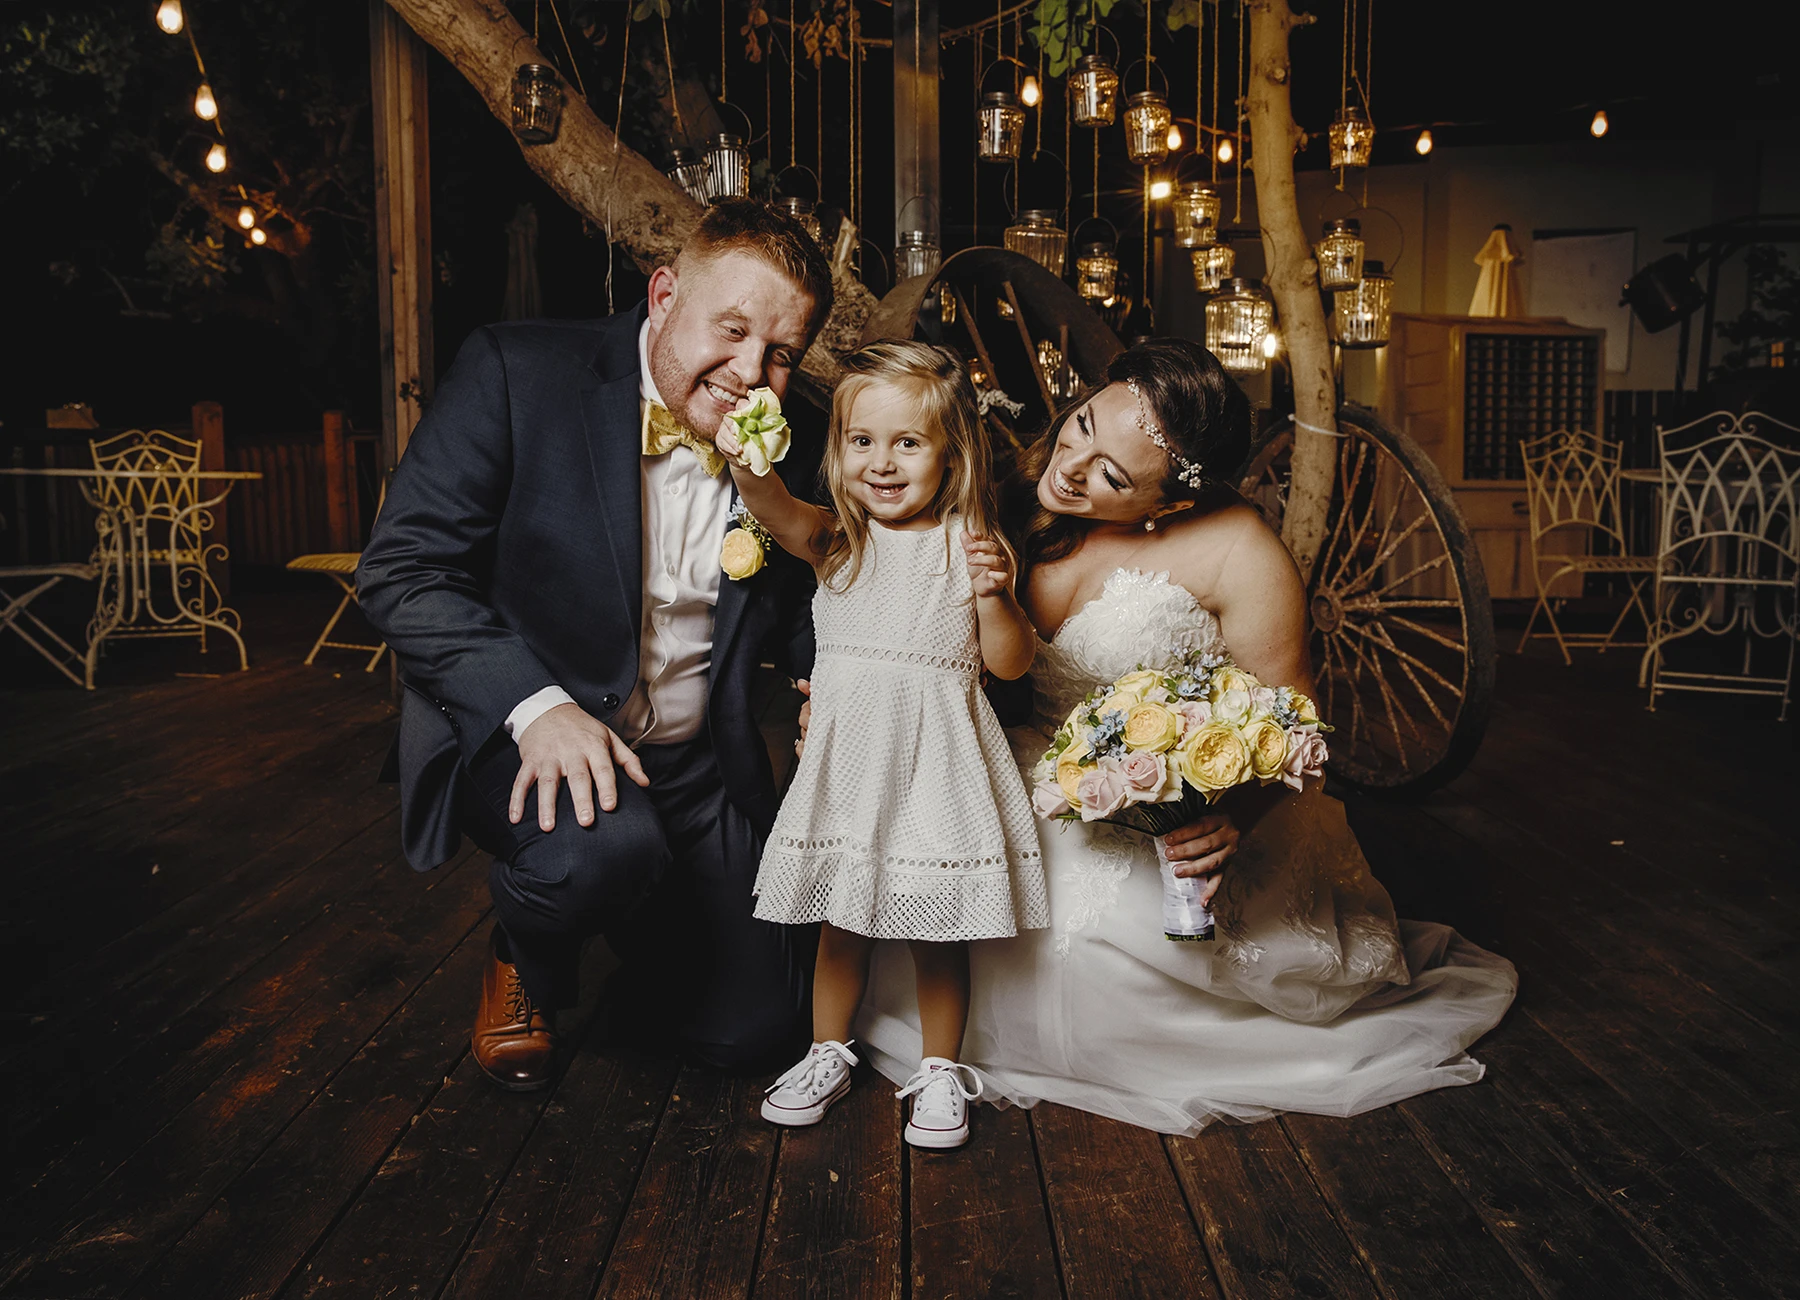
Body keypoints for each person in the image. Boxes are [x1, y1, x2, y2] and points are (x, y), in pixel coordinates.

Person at [855, 339, 1518, 1135]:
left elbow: (1296, 721)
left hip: (1176, 798)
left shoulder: (1241, 550)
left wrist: (1232, 815)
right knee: (950, 889)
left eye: (1113, 476)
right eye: (1082, 426)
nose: (1071, 467)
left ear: (1169, 504)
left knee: (1124, 946)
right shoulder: (1008, 492)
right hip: (1027, 765)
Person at [356, 199, 834, 1088]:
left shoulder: (796, 439)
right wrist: (536, 707)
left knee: (756, 1035)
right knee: (598, 854)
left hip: (696, 765)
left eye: (779, 354)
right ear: (663, 295)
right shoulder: (516, 369)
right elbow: (401, 568)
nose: (749, 375)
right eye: (730, 331)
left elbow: (815, 603)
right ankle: (524, 949)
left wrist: (829, 691)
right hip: (530, 728)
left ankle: (643, 909)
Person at [718, 340, 1048, 1150]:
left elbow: (1011, 664)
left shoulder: (971, 547)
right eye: (862, 441)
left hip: (939, 764)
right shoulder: (837, 540)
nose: (883, 462)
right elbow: (770, 507)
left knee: (938, 930)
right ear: (837, 449)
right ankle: (826, 1050)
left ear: (951, 453)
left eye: (909, 443)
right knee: (843, 921)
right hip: (855, 766)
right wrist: (747, 455)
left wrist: (996, 597)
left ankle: (939, 1070)